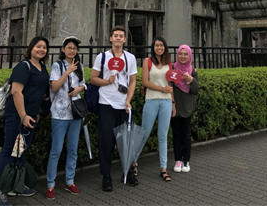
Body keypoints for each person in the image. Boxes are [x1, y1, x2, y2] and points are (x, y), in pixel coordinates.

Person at [0, 36, 50, 206]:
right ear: (31, 48)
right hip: (17, 116)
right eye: (38, 46)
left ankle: (16, 183)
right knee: (9, 149)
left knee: (20, 150)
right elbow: (16, 92)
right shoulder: (24, 67)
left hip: (30, 117)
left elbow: (39, 92)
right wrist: (23, 115)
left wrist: (35, 113)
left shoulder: (42, 67)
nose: (41, 49)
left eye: (44, 47)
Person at [90, 25, 138, 192]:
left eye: (121, 36)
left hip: (123, 105)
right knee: (106, 142)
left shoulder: (130, 58)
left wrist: (128, 100)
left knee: (126, 141)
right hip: (106, 103)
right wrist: (107, 82)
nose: (118, 38)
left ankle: (128, 173)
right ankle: (106, 176)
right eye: (115, 35)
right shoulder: (102, 57)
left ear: (125, 39)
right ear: (110, 38)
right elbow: (93, 79)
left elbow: (132, 81)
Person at [45, 36, 86, 200]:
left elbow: (84, 83)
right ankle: (50, 184)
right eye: (69, 47)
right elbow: (54, 87)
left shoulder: (79, 65)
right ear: (63, 49)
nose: (72, 50)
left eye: (74, 48)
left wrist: (79, 89)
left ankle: (70, 181)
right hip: (59, 114)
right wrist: (67, 72)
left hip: (75, 113)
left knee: (73, 149)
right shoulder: (57, 65)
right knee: (56, 150)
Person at [133, 36, 175, 182]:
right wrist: (162, 89)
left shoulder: (169, 63)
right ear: (153, 47)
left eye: (162, 45)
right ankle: (133, 161)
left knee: (163, 136)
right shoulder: (147, 62)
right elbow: (145, 82)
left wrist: (173, 102)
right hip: (151, 100)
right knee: (144, 133)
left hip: (166, 102)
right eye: (157, 45)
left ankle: (163, 168)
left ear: (165, 47)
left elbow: (171, 84)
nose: (159, 48)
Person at [171, 44, 199, 173]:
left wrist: (192, 80)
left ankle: (186, 160)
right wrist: (172, 104)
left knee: (186, 134)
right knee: (176, 134)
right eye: (180, 54)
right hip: (175, 106)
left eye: (185, 54)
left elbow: (195, 91)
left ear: (189, 55)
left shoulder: (192, 71)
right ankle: (178, 160)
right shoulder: (173, 68)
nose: (182, 56)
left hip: (187, 107)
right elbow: (169, 85)